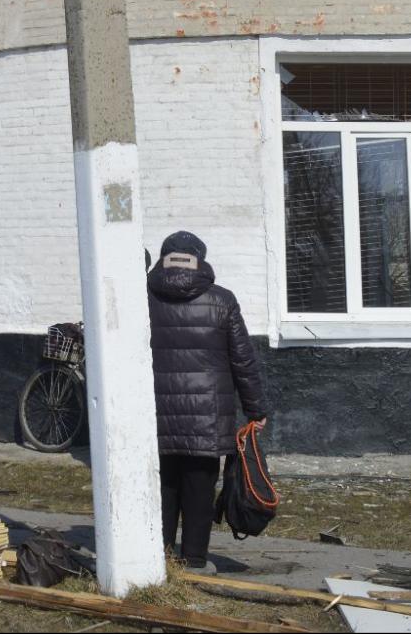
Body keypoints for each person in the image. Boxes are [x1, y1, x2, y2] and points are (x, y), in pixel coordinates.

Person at [145, 230, 267, 572]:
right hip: (207, 417)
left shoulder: (143, 297)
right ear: (201, 257)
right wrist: (256, 409)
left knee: (163, 487)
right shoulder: (222, 300)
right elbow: (243, 360)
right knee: (199, 489)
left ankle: (161, 556)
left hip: (157, 414)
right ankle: (194, 558)